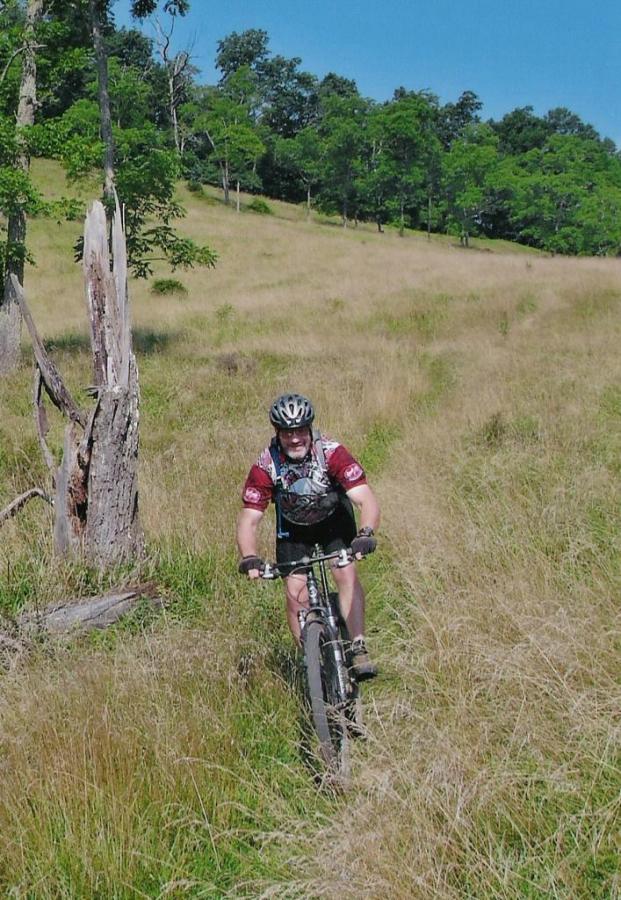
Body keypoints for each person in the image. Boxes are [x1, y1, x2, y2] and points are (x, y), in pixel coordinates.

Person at [236, 392, 380, 680]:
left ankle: (359, 645)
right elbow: (249, 519)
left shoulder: (331, 452)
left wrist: (365, 533)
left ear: (310, 429)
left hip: (333, 520)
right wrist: (249, 557)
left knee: (345, 572)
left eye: (300, 431)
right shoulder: (267, 464)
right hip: (293, 528)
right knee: (295, 592)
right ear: (278, 433)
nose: (295, 439)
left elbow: (365, 499)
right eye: (287, 433)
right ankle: (309, 657)